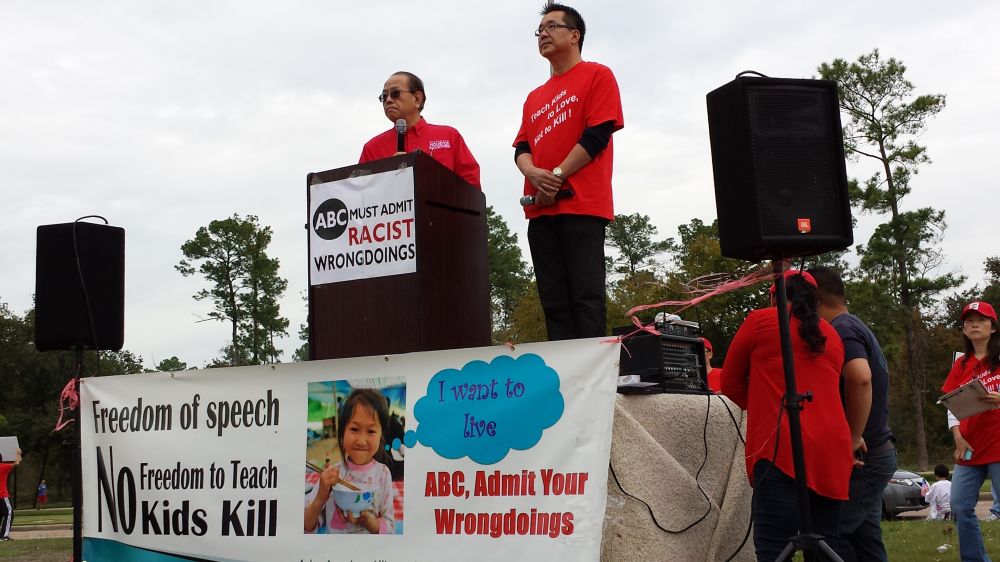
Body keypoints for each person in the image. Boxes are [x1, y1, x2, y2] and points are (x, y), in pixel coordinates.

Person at [720, 270, 852, 561]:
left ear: (773, 297)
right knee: (825, 547)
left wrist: (763, 407)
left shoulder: (760, 321)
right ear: (817, 301)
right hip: (832, 450)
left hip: (782, 446)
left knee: (774, 547)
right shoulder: (833, 335)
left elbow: (730, 383)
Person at [513, 2, 624, 341]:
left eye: (552, 26)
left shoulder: (598, 75)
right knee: (554, 304)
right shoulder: (533, 97)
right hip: (540, 208)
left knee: (586, 299)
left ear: (574, 35)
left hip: (582, 205)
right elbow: (521, 148)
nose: (543, 34)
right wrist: (535, 175)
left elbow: (597, 135)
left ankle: (593, 371)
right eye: (539, 30)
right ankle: (564, 371)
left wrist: (556, 175)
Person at [808, 266, 896, 562]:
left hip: (863, 456)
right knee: (865, 540)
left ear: (814, 298)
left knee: (828, 538)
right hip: (877, 452)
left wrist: (853, 436)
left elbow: (860, 378)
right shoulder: (856, 325)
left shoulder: (842, 330)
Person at [940, 300, 1000, 561]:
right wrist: (958, 437)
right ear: (964, 330)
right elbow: (951, 405)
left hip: (998, 443)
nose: (975, 324)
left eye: (981, 320)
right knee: (959, 506)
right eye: (969, 321)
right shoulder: (961, 364)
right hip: (969, 447)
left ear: (993, 327)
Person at [360, 71, 481, 188]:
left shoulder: (449, 136)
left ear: (417, 99)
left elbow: (471, 186)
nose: (388, 100)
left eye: (395, 93)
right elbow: (362, 193)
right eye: (384, 96)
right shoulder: (372, 148)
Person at [304, 389, 395, 534]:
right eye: (354, 429)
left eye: (371, 431)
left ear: (380, 435)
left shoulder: (383, 473)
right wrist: (320, 497)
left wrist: (370, 523)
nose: (361, 441)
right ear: (342, 432)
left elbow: (390, 527)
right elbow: (307, 527)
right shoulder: (332, 475)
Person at [0, 449, 22, 541]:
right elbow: (16, 463)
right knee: (9, 512)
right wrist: (18, 454)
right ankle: (3, 536)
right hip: (2, 494)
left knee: (1, 513)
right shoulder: (2, 466)